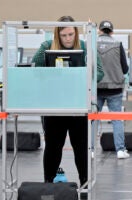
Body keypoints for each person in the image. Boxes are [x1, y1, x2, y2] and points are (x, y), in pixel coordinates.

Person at [31, 16, 104, 188]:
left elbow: (99, 72)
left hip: (78, 107)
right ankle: (47, 184)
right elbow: (34, 69)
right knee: (52, 149)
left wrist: (81, 78)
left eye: (71, 34)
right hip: (54, 108)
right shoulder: (46, 47)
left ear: (76, 33)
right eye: (64, 35)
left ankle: (85, 185)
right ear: (58, 35)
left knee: (81, 149)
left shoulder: (85, 47)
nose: (68, 39)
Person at [96, 20, 129, 159]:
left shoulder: (92, 44)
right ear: (112, 32)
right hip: (115, 88)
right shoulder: (118, 44)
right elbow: (125, 68)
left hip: (96, 88)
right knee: (117, 119)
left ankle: (90, 150)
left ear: (99, 30)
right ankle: (120, 150)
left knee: (93, 119)